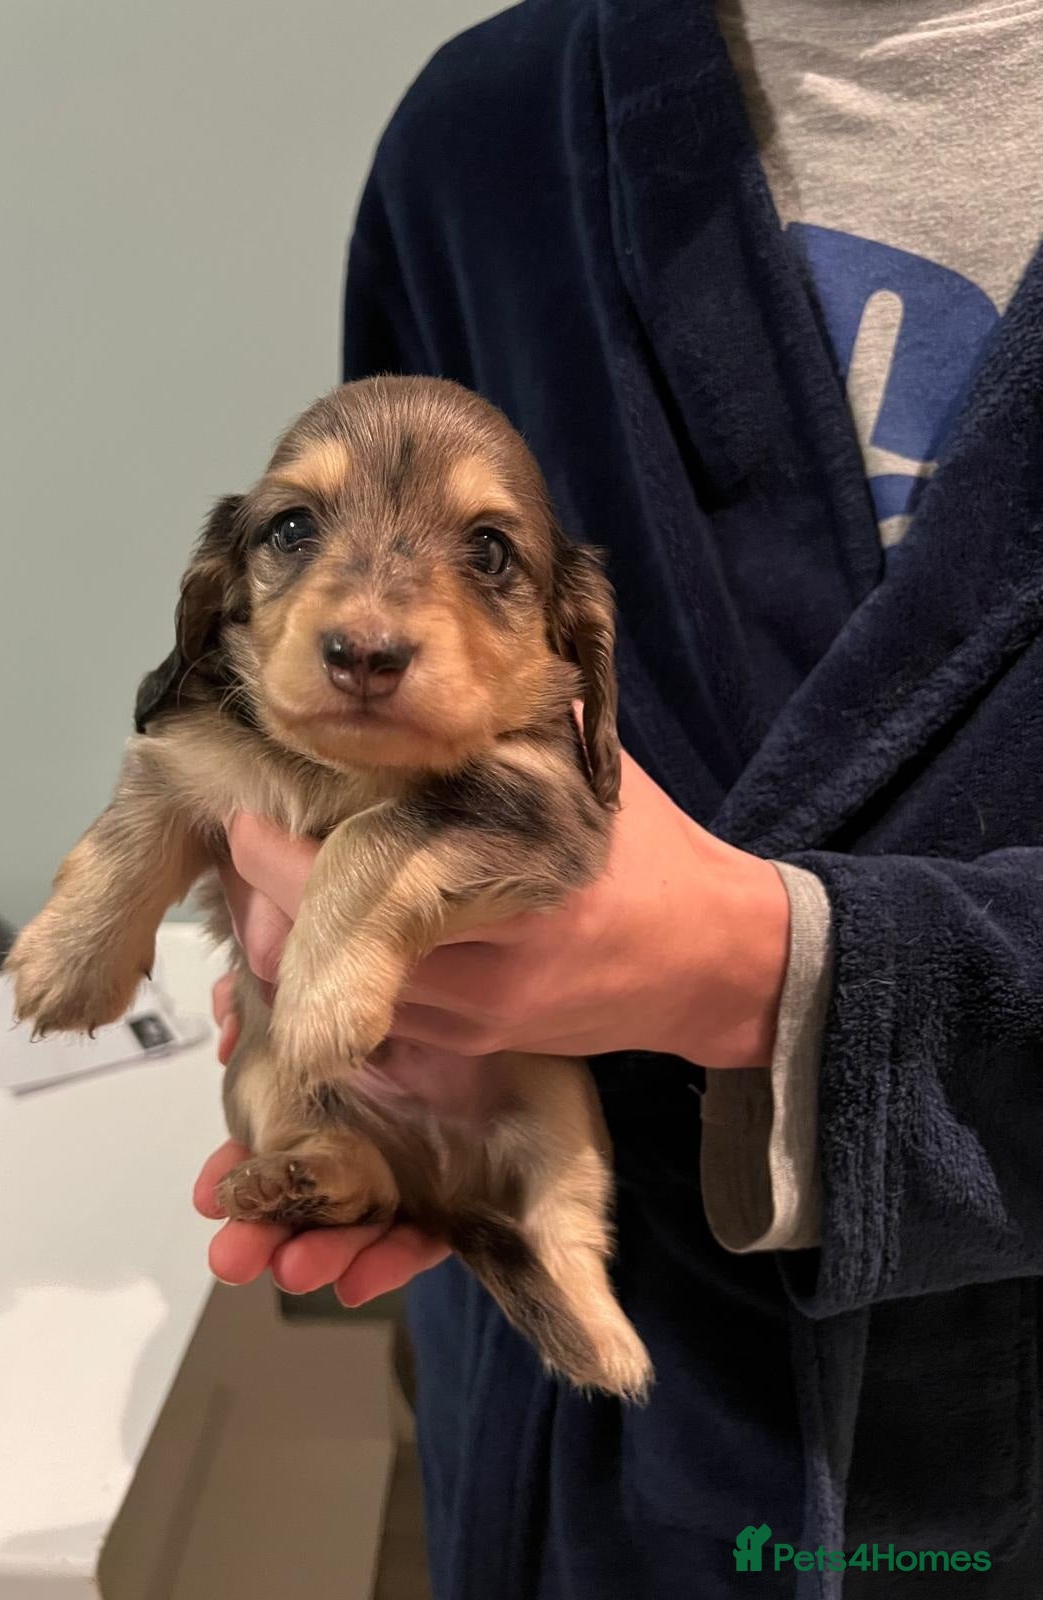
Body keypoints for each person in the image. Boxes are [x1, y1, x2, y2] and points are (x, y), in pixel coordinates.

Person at [194, 1, 1043, 1593]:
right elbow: (388, 652)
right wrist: (292, 879)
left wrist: (764, 970)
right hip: (583, 1436)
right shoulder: (483, 139)